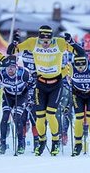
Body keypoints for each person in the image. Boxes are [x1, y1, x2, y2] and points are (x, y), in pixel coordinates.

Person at [8, 25, 84, 156]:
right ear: (39, 38)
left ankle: (55, 141)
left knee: (50, 114)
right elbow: (11, 52)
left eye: (48, 41)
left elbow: (81, 54)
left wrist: (72, 43)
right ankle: (42, 141)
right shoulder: (32, 42)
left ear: (52, 38)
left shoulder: (59, 43)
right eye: (43, 41)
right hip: (41, 84)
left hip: (56, 84)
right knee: (40, 116)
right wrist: (14, 42)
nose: (45, 44)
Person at [0, 56, 34, 154]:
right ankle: (2, 144)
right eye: (8, 67)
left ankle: (21, 144)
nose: (10, 69)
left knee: (17, 117)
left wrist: (30, 99)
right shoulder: (1, 74)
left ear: (16, 66)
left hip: (21, 95)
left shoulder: (23, 73)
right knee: (5, 116)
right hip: (8, 95)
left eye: (12, 67)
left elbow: (33, 84)